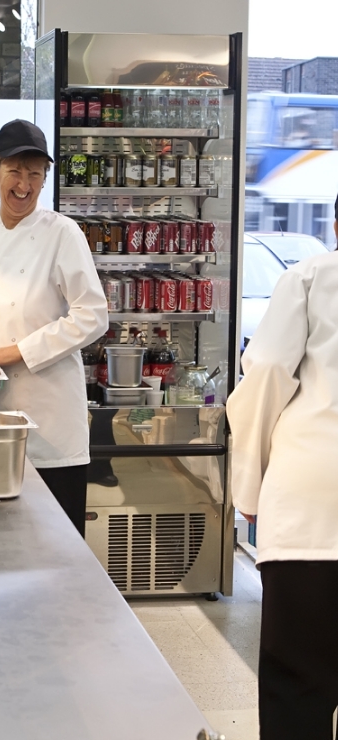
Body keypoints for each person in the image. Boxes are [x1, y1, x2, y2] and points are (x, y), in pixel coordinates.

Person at [0, 119, 108, 535]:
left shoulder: (63, 234)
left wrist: (15, 351)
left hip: (46, 415)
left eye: (35, 174)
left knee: (56, 544)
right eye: (15, 171)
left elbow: (92, 315)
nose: (24, 184)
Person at [226, 193, 338, 740]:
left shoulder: (313, 275)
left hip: (309, 503)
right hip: (309, 498)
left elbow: (267, 370)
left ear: (337, 224)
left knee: (298, 682)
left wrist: (249, 483)